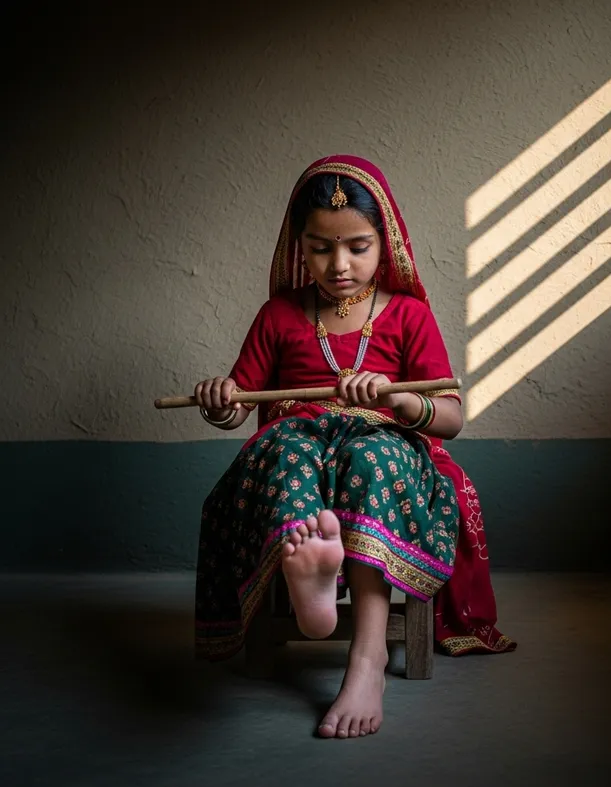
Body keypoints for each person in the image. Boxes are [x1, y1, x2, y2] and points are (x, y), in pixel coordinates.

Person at [194, 155, 515, 739]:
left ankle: (366, 661)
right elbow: (243, 402)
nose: (339, 266)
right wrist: (223, 401)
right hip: (300, 444)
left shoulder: (411, 315)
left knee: (371, 458)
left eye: (357, 247)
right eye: (320, 248)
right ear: (299, 246)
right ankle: (310, 583)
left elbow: (450, 417)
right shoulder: (279, 314)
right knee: (285, 454)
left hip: (382, 448)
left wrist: (398, 403)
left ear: (386, 242)